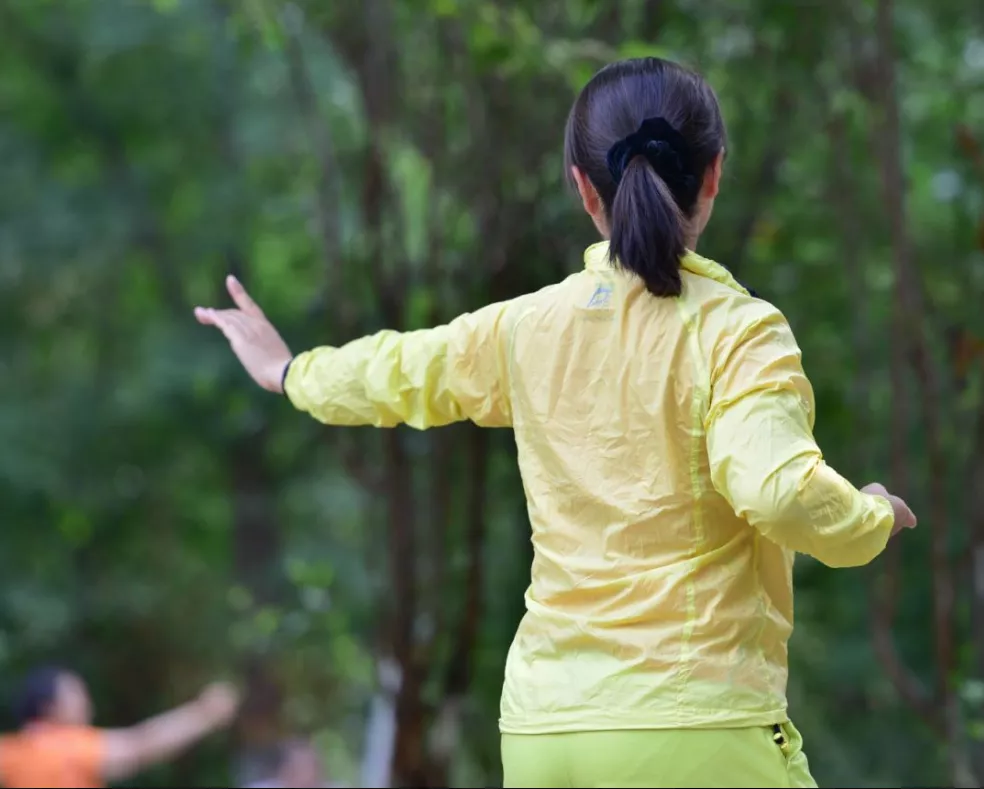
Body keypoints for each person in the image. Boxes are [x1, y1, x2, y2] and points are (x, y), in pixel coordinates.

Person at [195, 56, 917, 788]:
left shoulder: (529, 327)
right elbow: (780, 492)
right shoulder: (738, 332)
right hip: (693, 726)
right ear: (714, 174)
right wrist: (871, 516)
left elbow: (405, 369)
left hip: (546, 735)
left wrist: (290, 372)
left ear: (581, 187)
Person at [0, 666, 240, 788]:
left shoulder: (8, 751)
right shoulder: (66, 746)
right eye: (76, 693)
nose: (86, 702)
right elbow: (139, 746)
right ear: (49, 707)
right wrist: (204, 713)